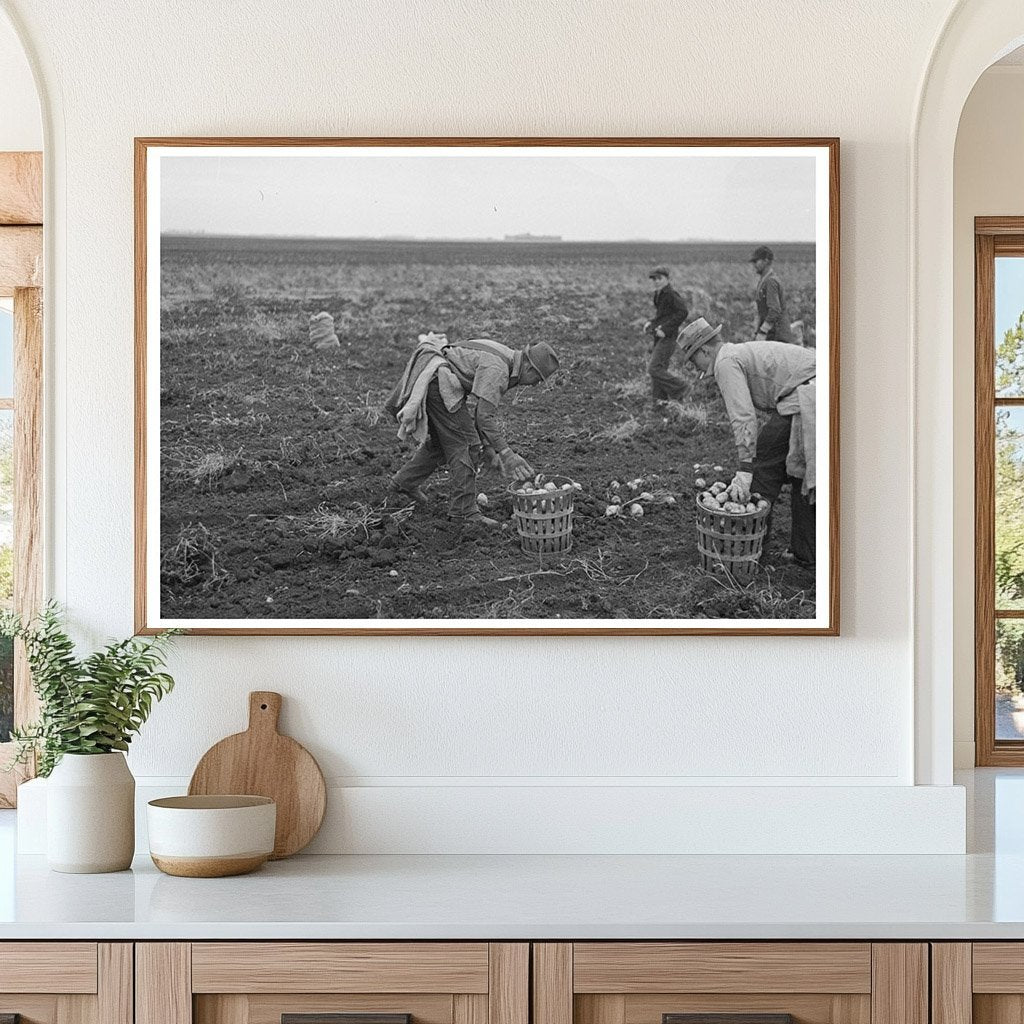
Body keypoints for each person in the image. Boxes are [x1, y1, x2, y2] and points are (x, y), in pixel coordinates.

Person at [678, 317, 817, 564]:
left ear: (704, 350)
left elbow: (743, 417)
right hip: (818, 390)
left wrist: (745, 468)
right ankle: (805, 552)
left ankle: (750, 548)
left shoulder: (725, 362)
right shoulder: (736, 353)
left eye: (693, 359)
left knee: (762, 466)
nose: (694, 367)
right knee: (800, 474)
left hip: (805, 396)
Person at [385, 332, 560, 528]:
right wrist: (506, 453)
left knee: (443, 444)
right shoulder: (498, 369)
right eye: (537, 378)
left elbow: (481, 412)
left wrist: (490, 447)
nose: (536, 384)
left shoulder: (509, 358)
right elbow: (484, 417)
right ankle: (464, 512)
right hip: (439, 383)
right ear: (529, 367)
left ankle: (403, 483)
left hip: (438, 377)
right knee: (467, 445)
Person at [642, 265, 689, 404]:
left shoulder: (670, 294)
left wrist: (665, 329)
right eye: (654, 279)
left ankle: (682, 387)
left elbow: (683, 312)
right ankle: (659, 403)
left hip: (668, 337)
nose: (656, 281)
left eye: (659, 278)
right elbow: (663, 315)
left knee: (654, 369)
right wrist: (651, 323)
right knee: (659, 370)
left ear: (668, 279)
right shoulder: (659, 294)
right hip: (660, 336)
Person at [748, 245, 793, 343]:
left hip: (778, 336)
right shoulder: (763, 281)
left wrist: (762, 332)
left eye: (756, 261)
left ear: (766, 261)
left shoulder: (770, 282)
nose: (754, 265)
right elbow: (762, 311)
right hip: (771, 334)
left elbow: (775, 310)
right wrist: (756, 331)